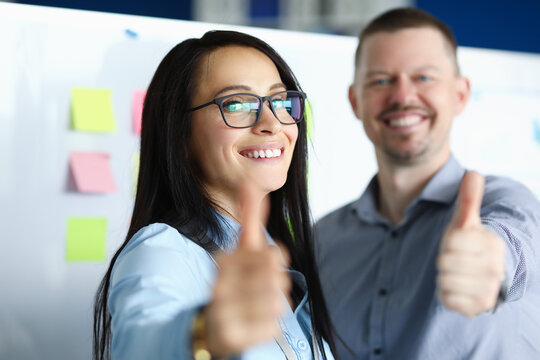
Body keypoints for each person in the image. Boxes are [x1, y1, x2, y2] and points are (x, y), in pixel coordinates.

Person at [93, 30, 338, 360]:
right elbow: (142, 343)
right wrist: (205, 335)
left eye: (280, 101)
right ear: (179, 135)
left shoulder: (280, 258)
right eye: (236, 104)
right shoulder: (161, 250)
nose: (271, 123)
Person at [315, 7, 540, 360]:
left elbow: (515, 244)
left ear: (460, 95)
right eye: (380, 80)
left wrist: (491, 264)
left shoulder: (504, 202)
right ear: (355, 101)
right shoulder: (322, 240)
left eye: (424, 78)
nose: (403, 96)